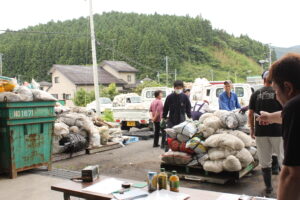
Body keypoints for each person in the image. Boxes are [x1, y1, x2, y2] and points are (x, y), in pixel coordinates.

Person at [256, 53, 300, 200]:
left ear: (288, 88)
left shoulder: (294, 106)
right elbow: (285, 115)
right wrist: (269, 117)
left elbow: (292, 175)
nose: (275, 96)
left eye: (275, 90)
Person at [248, 71, 283, 196]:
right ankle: (284, 188)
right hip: (278, 132)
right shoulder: (279, 93)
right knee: (282, 160)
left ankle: (268, 188)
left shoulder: (256, 94)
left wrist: (252, 129)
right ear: (273, 80)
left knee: (265, 161)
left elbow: (251, 113)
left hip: (261, 132)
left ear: (263, 80)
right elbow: (286, 111)